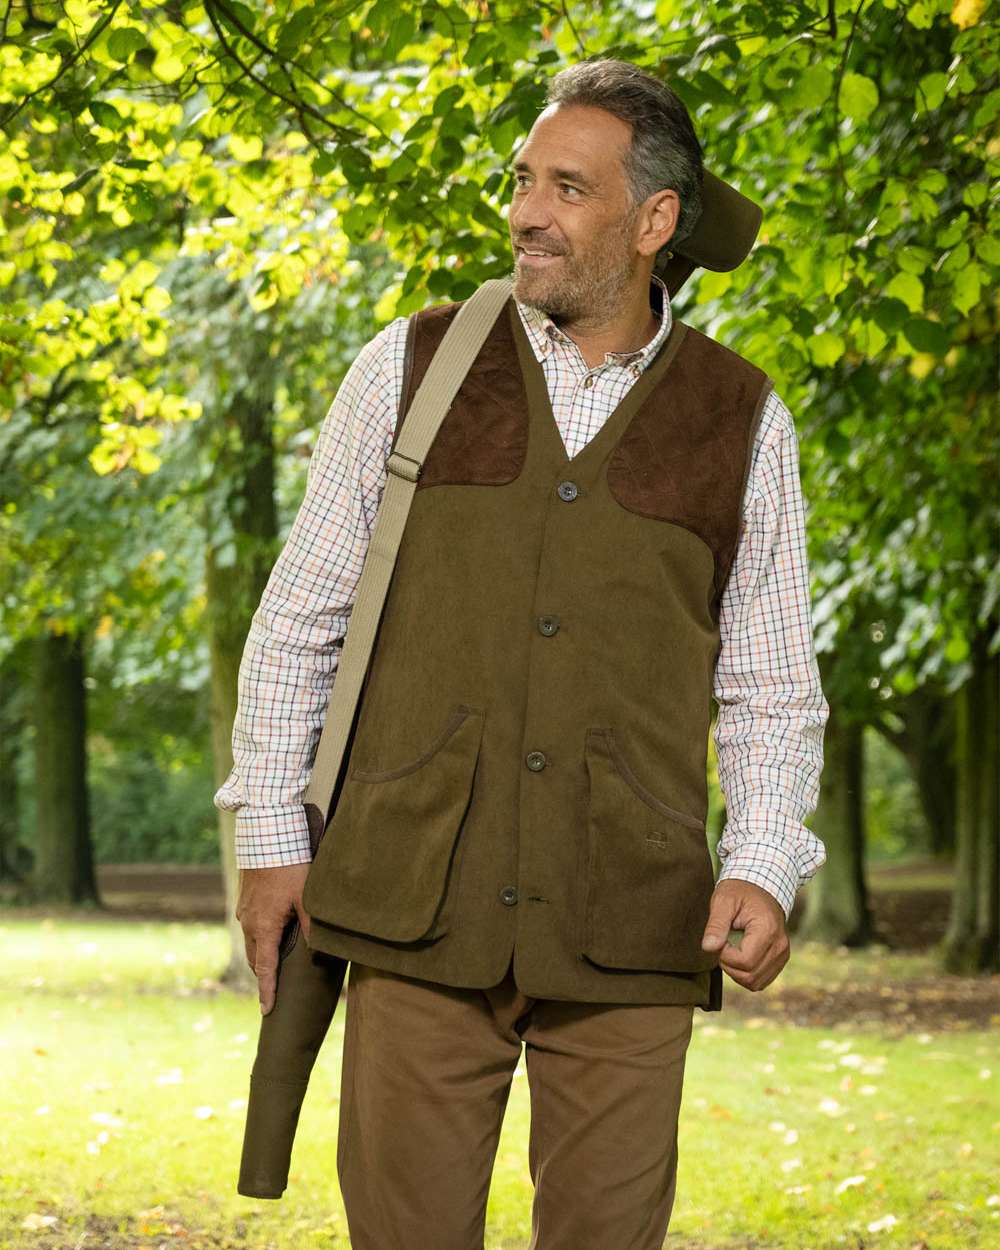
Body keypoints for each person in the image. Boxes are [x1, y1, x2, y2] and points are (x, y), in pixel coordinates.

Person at [216, 57, 829, 1250]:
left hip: (632, 920)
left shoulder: (744, 418)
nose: (524, 212)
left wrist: (760, 860)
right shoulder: (409, 364)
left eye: (566, 186)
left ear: (654, 221)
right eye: (520, 180)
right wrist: (272, 841)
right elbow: (300, 618)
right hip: (413, 906)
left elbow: (768, 682)